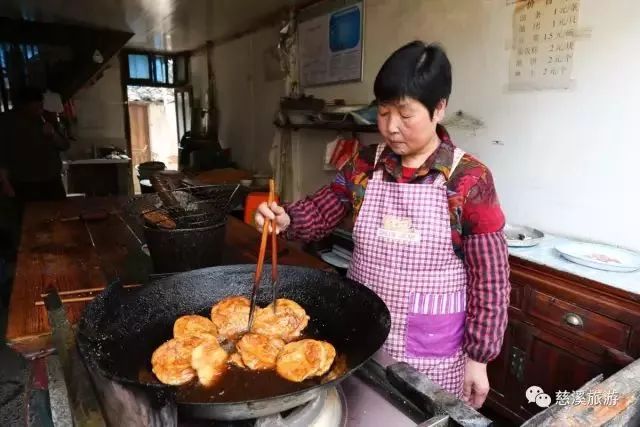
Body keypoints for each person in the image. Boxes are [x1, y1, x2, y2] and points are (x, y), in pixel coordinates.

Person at [255, 41, 510, 408]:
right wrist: (287, 217)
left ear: (439, 108)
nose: (390, 127)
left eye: (404, 114)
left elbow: (491, 278)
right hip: (365, 336)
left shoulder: (469, 179)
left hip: (432, 353)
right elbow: (324, 207)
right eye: (384, 112)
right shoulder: (364, 165)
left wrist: (479, 359)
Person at [0, 87, 69, 202]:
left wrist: (53, 135)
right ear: (23, 106)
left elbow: (65, 145)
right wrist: (5, 182)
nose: (39, 109)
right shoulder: (7, 122)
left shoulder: (47, 117)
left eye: (40, 105)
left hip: (52, 181)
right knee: (32, 216)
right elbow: (2, 155)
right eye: (35, 106)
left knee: (60, 213)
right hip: (25, 183)